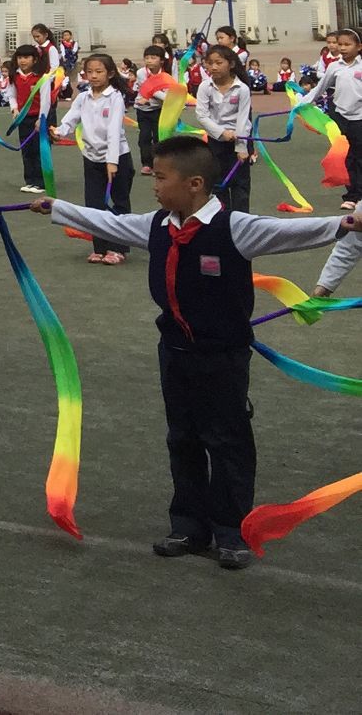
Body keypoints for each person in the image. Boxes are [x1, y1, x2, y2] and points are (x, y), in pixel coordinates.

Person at [37, 137, 362, 569]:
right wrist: (56, 208)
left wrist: (343, 225)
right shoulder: (156, 225)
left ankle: (232, 531)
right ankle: (188, 525)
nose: (153, 183)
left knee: (226, 441)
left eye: (161, 176)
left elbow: (288, 231)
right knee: (182, 438)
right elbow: (111, 222)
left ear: (194, 183)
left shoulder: (235, 228)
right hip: (173, 351)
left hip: (222, 358)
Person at [59, 52, 131, 265]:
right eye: (89, 72)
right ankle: (99, 247)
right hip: (91, 158)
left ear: (110, 74)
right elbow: (69, 120)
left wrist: (112, 161)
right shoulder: (83, 98)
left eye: (98, 72)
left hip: (117, 157)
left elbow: (113, 131)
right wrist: (58, 131)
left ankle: (118, 248)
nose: (93, 76)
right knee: (94, 204)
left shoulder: (115, 97)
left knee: (119, 204)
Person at [304, 28, 362, 212]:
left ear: (359, 47)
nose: (342, 48)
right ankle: (352, 196)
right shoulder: (334, 66)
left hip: (360, 117)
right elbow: (320, 88)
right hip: (340, 117)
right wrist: (304, 103)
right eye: (340, 44)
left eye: (347, 44)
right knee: (347, 156)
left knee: (359, 156)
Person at [196, 44, 254, 212]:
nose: (213, 67)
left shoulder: (242, 88)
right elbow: (202, 116)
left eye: (219, 63)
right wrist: (222, 133)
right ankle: (221, 221)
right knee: (218, 185)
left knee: (240, 187)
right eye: (210, 63)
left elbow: (243, 119)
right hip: (216, 142)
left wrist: (241, 146)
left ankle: (242, 223)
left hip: (240, 140)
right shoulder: (204, 87)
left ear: (231, 64)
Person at [7, 43, 55, 194]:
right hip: (23, 119)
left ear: (34, 60)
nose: (23, 61)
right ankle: (30, 181)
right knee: (26, 150)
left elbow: (46, 100)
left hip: (39, 118)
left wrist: (41, 118)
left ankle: (41, 182)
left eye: (26, 57)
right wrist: (14, 108)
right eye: (20, 57)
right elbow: (11, 95)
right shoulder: (15, 76)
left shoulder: (42, 77)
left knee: (39, 150)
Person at [133, 43, 172, 175]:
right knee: (144, 137)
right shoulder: (141, 73)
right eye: (147, 58)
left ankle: (158, 165)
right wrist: (160, 94)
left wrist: (157, 95)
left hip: (160, 110)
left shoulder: (167, 75)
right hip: (142, 110)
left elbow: (168, 96)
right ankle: (146, 164)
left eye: (153, 57)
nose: (149, 60)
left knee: (158, 137)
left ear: (161, 60)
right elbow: (150, 89)